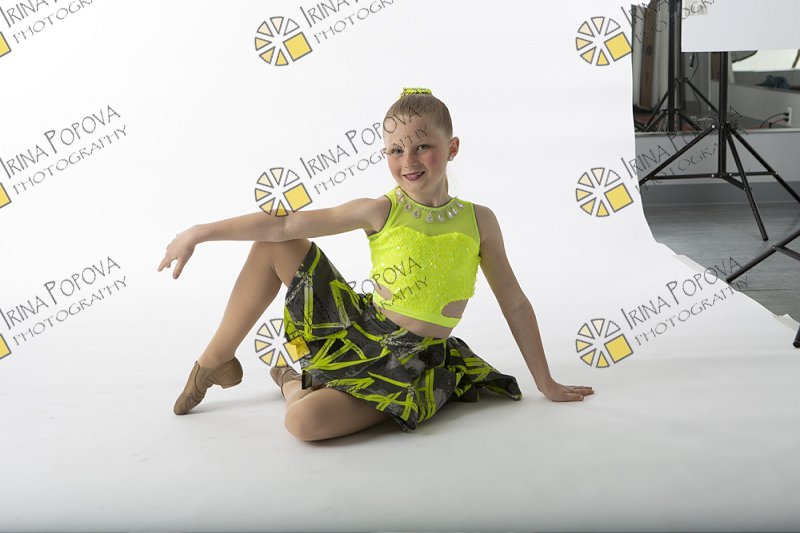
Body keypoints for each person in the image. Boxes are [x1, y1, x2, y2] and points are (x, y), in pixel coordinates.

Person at [158, 87, 594, 442]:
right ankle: (215, 360)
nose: (409, 161)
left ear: (452, 147)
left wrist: (545, 382)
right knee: (273, 246)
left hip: (413, 360)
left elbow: (513, 301)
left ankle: (291, 381)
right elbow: (284, 224)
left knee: (303, 423)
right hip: (359, 329)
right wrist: (199, 232)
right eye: (395, 150)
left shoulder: (480, 220)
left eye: (423, 147)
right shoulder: (381, 210)